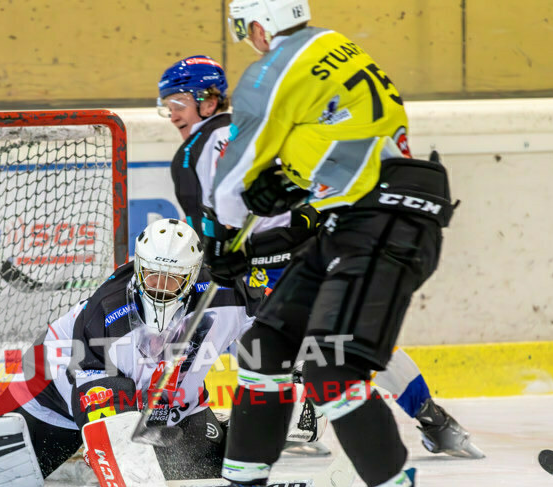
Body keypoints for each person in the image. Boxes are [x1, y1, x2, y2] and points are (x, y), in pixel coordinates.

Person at [187, 0, 458, 487]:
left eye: (246, 31)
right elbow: (344, 141)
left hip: (387, 220)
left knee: (331, 366)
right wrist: (289, 183)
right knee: (264, 347)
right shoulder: (334, 49)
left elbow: (236, 174)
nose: (250, 42)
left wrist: (222, 235)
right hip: (352, 218)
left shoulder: (274, 65)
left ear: (259, 26)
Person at [158, 54, 482, 461]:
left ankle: (294, 429)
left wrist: (232, 254)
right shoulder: (260, 131)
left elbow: (209, 229)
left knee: (284, 342)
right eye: (167, 107)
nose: (171, 115)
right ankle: (436, 421)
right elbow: (311, 189)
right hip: (318, 249)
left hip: (272, 268)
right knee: (350, 338)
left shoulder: (193, 151)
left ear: (208, 101)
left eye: (177, 104)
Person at [13, 217, 261, 481]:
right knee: (17, 478)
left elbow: (276, 326)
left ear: (191, 276)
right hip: (53, 395)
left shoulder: (224, 293)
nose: (160, 288)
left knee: (206, 473)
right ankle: (77, 463)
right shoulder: (107, 310)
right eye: (153, 276)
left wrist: (297, 375)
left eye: (173, 279)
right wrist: (112, 449)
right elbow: (95, 394)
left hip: (168, 405)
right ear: (139, 267)